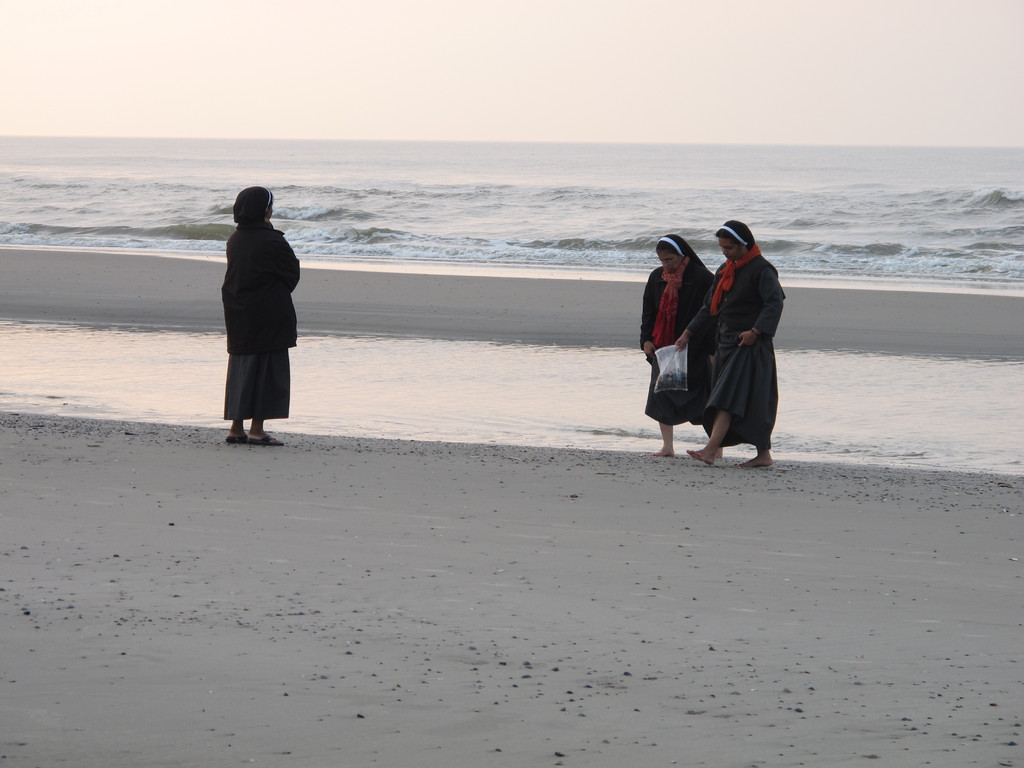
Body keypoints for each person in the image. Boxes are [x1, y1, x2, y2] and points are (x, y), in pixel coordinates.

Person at [675, 220, 784, 468]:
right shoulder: (726, 269)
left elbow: (774, 304)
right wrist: (688, 333)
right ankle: (763, 455)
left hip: (751, 346)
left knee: (728, 396)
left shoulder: (763, 270)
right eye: (722, 247)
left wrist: (755, 331)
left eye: (730, 248)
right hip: (726, 343)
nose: (725, 252)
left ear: (744, 245)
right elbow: (709, 307)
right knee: (744, 399)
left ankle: (711, 450)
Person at [221, 186, 300, 446]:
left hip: (238, 311)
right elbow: (292, 274)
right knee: (265, 369)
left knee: (241, 368)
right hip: (268, 314)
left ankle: (236, 428)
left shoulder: (235, 239)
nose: (272, 209)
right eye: (270, 205)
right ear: (264, 210)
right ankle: (257, 430)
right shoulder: (272, 240)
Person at [640, 234, 715, 457]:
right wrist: (645, 340)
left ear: (682, 256)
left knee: (705, 397)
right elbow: (648, 313)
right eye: (662, 260)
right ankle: (667, 446)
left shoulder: (702, 278)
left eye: (669, 260)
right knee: (661, 394)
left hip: (696, 348)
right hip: (664, 348)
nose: (666, 265)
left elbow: (713, 317)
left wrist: (712, 350)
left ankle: (716, 446)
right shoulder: (656, 278)